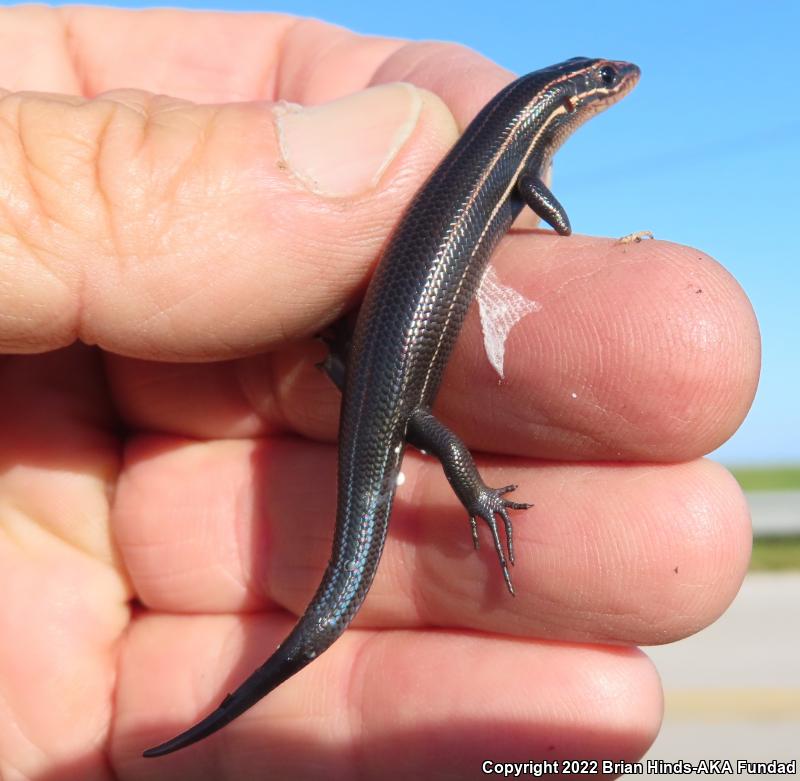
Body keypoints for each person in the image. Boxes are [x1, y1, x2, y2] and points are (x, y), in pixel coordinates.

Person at [0, 7, 759, 779]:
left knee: (384, 457)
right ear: (568, 104)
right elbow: (546, 205)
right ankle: (482, 502)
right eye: (601, 82)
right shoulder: (521, 154)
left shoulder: (505, 136)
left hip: (371, 381)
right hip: (392, 401)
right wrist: (562, 232)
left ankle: (402, 430)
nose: (616, 84)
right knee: (423, 447)